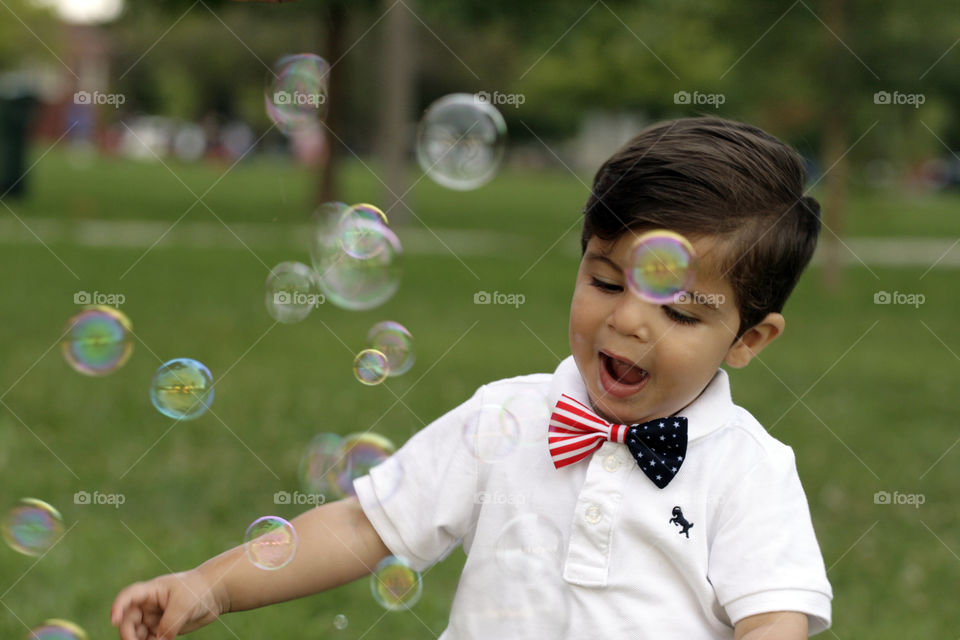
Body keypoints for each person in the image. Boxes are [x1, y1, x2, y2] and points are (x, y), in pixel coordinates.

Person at [112, 116, 832, 639]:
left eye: (677, 313)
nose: (629, 324)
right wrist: (209, 585)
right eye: (608, 282)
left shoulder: (749, 470)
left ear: (749, 339)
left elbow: (773, 618)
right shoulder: (506, 418)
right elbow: (364, 526)